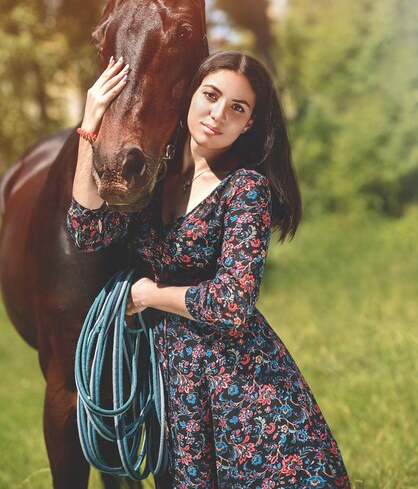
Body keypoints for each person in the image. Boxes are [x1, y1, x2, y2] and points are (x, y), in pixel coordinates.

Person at [67, 51, 351, 488]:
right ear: (190, 96)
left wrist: (146, 297)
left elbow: (232, 302)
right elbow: (88, 231)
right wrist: (91, 123)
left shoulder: (245, 190)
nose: (218, 115)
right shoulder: (152, 176)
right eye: (211, 96)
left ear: (249, 123)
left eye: (237, 108)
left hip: (238, 378)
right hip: (174, 380)